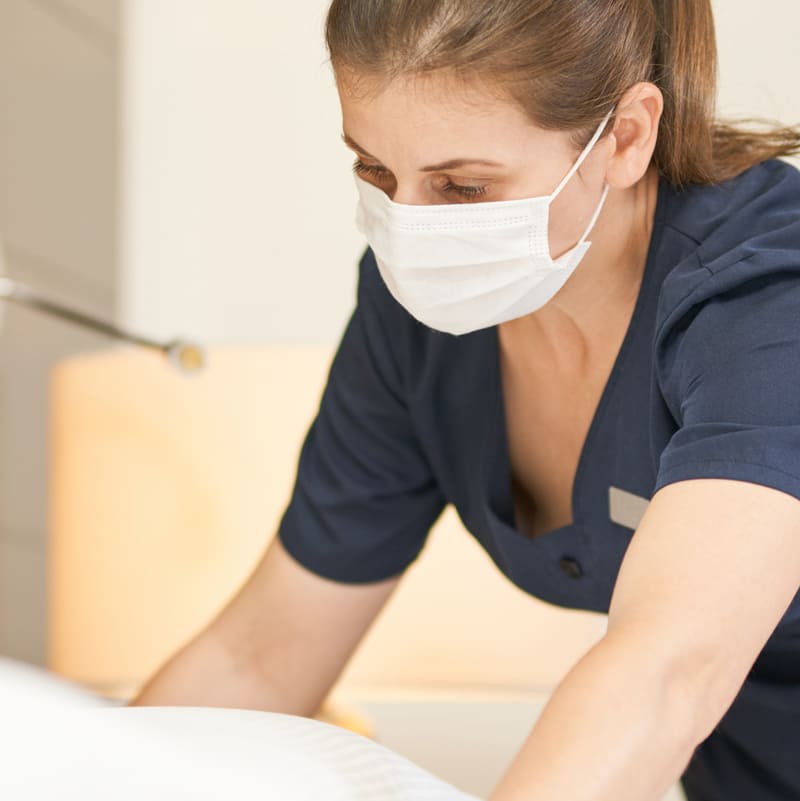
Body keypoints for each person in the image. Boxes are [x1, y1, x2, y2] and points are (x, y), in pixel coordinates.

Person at [133, 2, 800, 799]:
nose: (409, 228)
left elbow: (666, 672)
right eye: (375, 170)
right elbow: (264, 653)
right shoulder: (421, 327)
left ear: (625, 136)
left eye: (463, 186)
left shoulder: (766, 301)